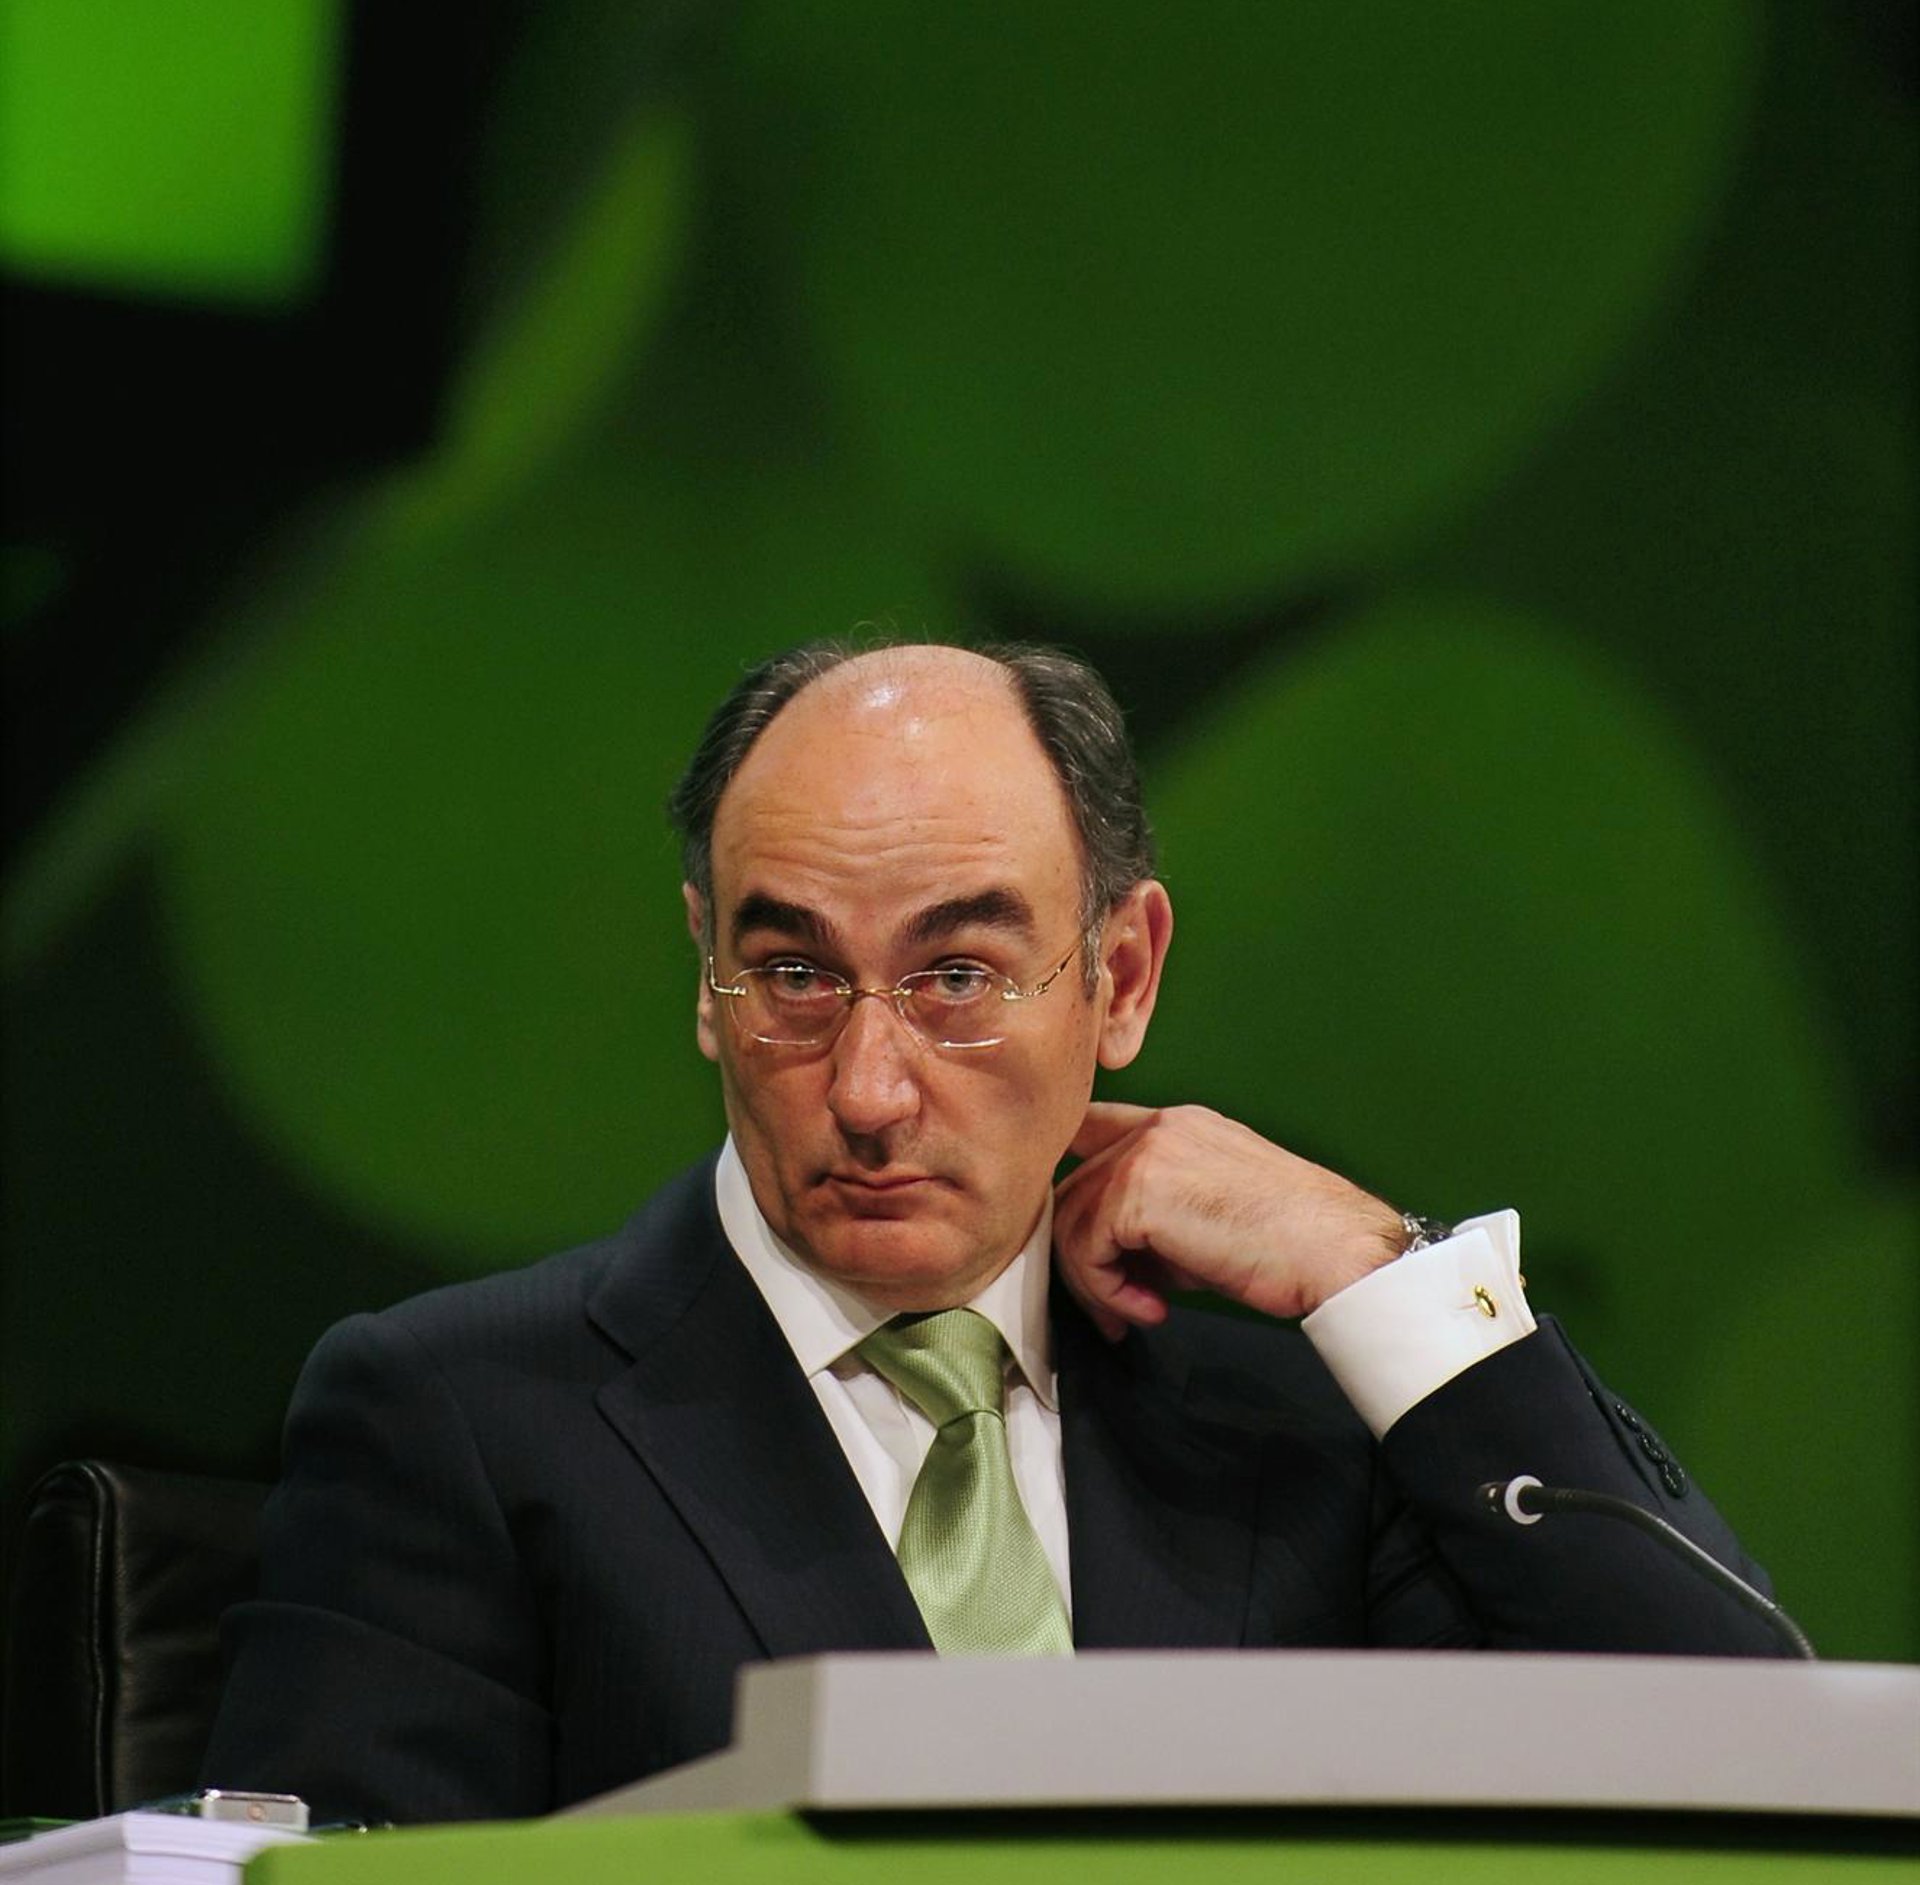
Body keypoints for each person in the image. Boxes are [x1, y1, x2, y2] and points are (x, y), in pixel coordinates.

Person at [203, 639, 1793, 1825]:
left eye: (957, 976)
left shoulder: (1301, 1441)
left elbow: (1752, 1771)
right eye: (795, 976)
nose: (869, 1087)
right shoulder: (461, 1421)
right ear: (706, 973)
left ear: (1123, 975)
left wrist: (1379, 1270)